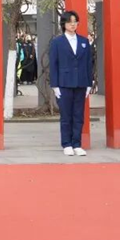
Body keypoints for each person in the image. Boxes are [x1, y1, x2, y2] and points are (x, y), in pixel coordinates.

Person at [50, 10, 92, 157]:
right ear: (64, 24)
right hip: (64, 83)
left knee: (78, 115)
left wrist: (89, 83)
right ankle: (67, 144)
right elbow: (53, 64)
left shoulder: (84, 41)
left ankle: (77, 144)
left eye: (75, 22)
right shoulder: (57, 42)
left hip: (81, 82)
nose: (73, 24)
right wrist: (55, 85)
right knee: (66, 116)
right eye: (69, 22)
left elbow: (88, 63)